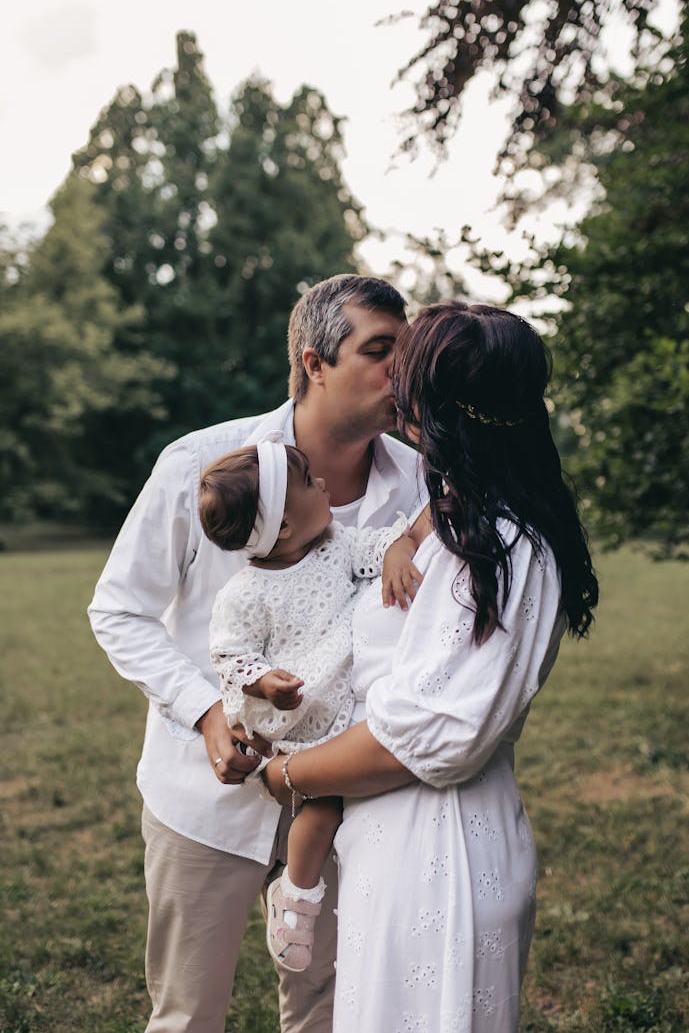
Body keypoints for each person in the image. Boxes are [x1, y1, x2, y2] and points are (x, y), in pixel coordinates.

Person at [87, 274, 424, 1033]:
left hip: (351, 803)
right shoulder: (198, 465)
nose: (400, 372)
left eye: (406, 353)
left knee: (330, 1013)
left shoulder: (422, 491)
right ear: (314, 362)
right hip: (201, 803)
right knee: (188, 1014)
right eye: (379, 351)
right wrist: (207, 710)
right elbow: (119, 608)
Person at [260, 300, 599, 1032]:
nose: (395, 386)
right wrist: (405, 537)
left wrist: (286, 775)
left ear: (443, 410)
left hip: (439, 859)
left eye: (408, 372)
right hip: (393, 850)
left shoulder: (504, 548)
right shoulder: (463, 520)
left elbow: (425, 740)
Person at [198, 439, 423, 974]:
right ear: (280, 527)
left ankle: (312, 894)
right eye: (307, 483)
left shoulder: (336, 546)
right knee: (320, 807)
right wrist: (263, 683)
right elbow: (230, 654)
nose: (322, 484)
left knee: (340, 806)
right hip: (299, 714)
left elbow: (380, 547)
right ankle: (297, 899)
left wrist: (397, 550)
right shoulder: (245, 593)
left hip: (345, 701)